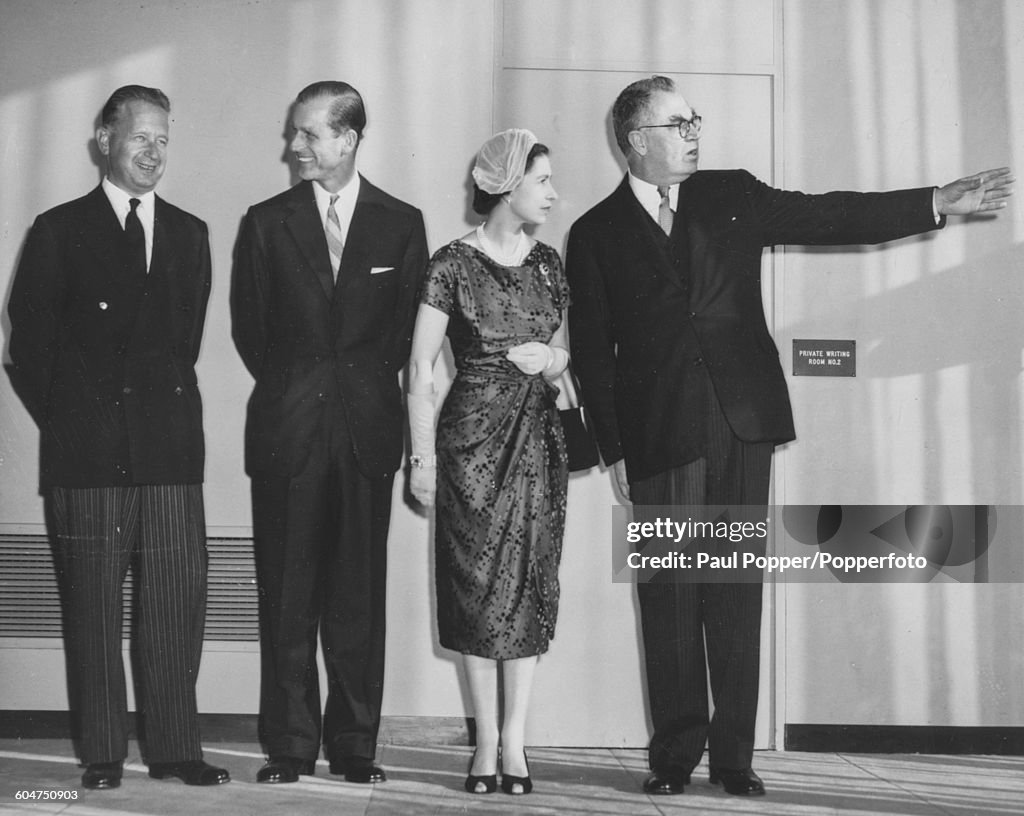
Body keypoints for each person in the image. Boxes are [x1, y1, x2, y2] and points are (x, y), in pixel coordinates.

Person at [565, 75, 1013, 798]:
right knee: (670, 596)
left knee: (736, 591)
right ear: (634, 140)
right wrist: (613, 447)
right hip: (657, 433)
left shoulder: (730, 193)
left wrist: (933, 202)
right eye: (676, 123)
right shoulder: (593, 232)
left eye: (693, 120)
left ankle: (735, 760)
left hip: (742, 424)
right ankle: (673, 756)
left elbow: (828, 215)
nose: (693, 133)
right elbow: (591, 353)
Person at [7, 85, 228, 790]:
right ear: (103, 140)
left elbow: (182, 345)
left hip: (168, 453)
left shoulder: (191, 234)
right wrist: (75, 421)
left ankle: (175, 750)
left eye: (163, 139)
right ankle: (101, 753)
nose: (153, 152)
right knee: (93, 610)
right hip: (86, 457)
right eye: (139, 138)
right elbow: (27, 348)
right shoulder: (58, 229)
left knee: (173, 607)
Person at [231, 81, 428, 785]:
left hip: (367, 434)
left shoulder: (402, 225)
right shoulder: (264, 222)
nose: (296, 147)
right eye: (295, 133)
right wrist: (304, 392)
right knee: (287, 595)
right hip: (288, 433)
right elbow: (252, 332)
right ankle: (289, 745)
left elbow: (405, 335)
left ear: (347, 139)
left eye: (309, 134)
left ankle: (353, 746)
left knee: (358, 597)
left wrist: (356, 396)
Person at [406, 129, 567, 796]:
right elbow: (418, 366)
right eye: (542, 182)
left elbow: (567, 359)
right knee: (475, 586)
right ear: (504, 187)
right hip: (470, 439)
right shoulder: (450, 263)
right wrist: (420, 459)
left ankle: (516, 745)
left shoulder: (552, 263)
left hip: (536, 441)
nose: (553, 194)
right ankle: (484, 747)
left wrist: (552, 360)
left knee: (528, 585)